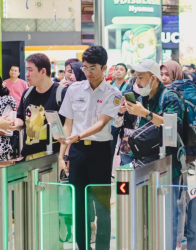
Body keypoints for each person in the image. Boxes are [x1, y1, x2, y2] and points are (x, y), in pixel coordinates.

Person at [58, 46, 121, 250]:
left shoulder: (114, 93)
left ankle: (102, 247)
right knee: (79, 204)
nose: (88, 72)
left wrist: (77, 135)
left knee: (102, 205)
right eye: (85, 68)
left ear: (104, 68)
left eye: (93, 68)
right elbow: (68, 121)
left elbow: (102, 123)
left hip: (100, 152)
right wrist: (64, 152)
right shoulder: (74, 90)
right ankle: (82, 246)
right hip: (77, 152)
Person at [125, 59, 185, 249]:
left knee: (168, 212)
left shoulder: (170, 97)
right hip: (145, 163)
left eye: (141, 78)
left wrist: (146, 114)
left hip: (168, 164)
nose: (137, 82)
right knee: (145, 211)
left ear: (153, 78)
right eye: (136, 77)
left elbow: (173, 127)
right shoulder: (143, 98)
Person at [13, 53, 67, 160]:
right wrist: (14, 122)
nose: (27, 74)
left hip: (52, 158)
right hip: (28, 157)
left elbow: (68, 128)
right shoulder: (27, 93)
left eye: (30, 70)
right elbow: (21, 119)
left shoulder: (61, 93)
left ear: (43, 71)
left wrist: (64, 157)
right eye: (26, 70)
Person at [109, 63, 130, 171]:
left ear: (126, 73)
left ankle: (123, 172)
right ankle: (108, 172)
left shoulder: (129, 87)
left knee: (125, 150)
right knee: (110, 149)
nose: (118, 71)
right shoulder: (109, 86)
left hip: (126, 123)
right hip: (111, 122)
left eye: (121, 69)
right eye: (116, 69)